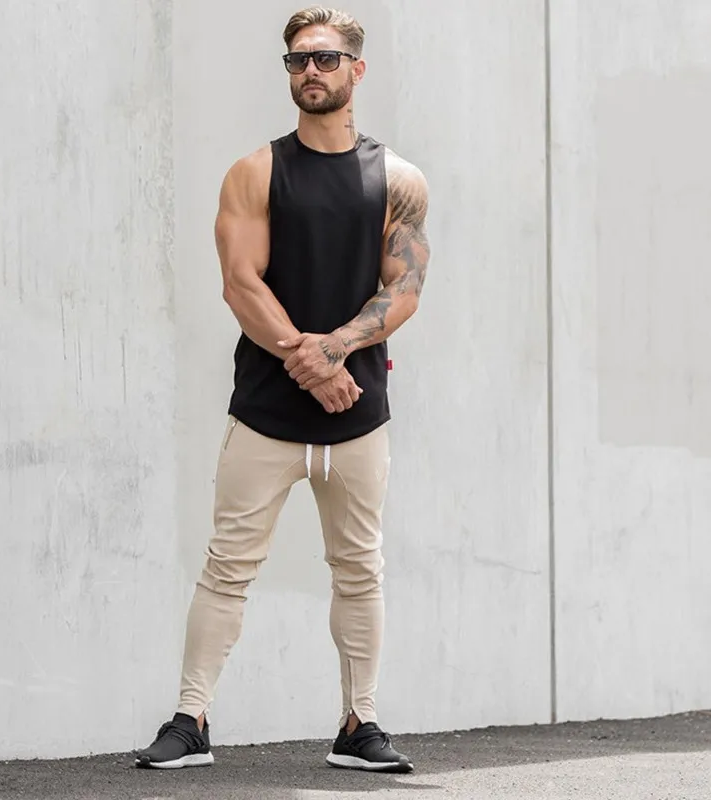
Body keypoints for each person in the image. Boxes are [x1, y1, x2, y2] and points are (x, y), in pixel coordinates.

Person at [135, 4, 430, 774]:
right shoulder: (255, 173)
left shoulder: (399, 180)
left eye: (326, 58)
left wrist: (335, 351)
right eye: (298, 60)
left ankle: (359, 725)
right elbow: (241, 283)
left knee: (360, 569)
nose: (311, 71)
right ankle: (191, 721)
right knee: (227, 566)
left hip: (358, 418)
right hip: (266, 414)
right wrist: (313, 361)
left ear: (357, 69)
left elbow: (404, 289)